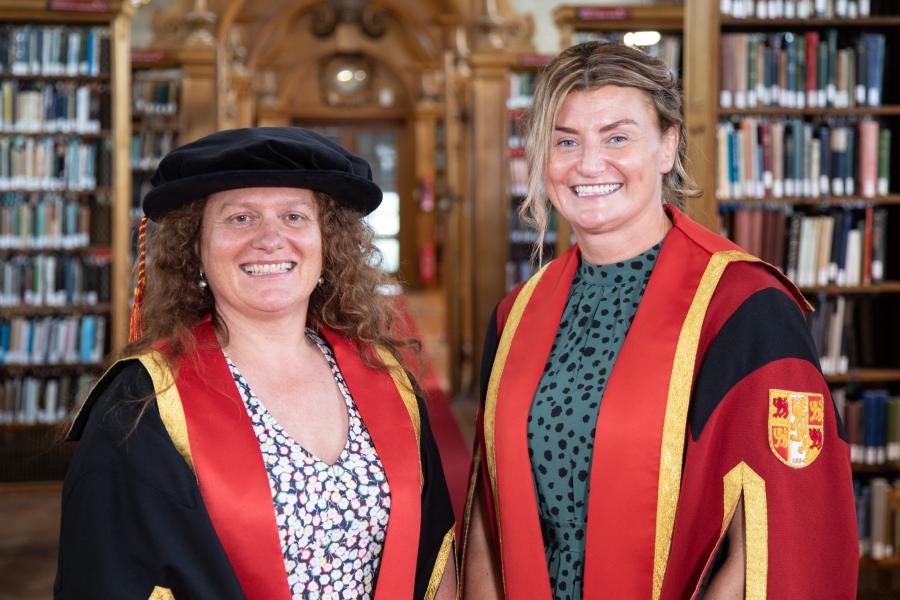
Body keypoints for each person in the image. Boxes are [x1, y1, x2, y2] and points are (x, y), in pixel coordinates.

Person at [461, 41, 857, 599]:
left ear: (668, 145)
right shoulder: (516, 314)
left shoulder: (743, 309)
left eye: (617, 137)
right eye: (565, 141)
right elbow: (489, 505)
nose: (589, 164)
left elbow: (769, 541)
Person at [55, 127, 457, 600]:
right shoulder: (141, 406)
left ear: (327, 244)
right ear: (195, 249)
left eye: (294, 216)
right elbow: (105, 577)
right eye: (241, 218)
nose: (271, 239)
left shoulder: (388, 380)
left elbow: (435, 552)